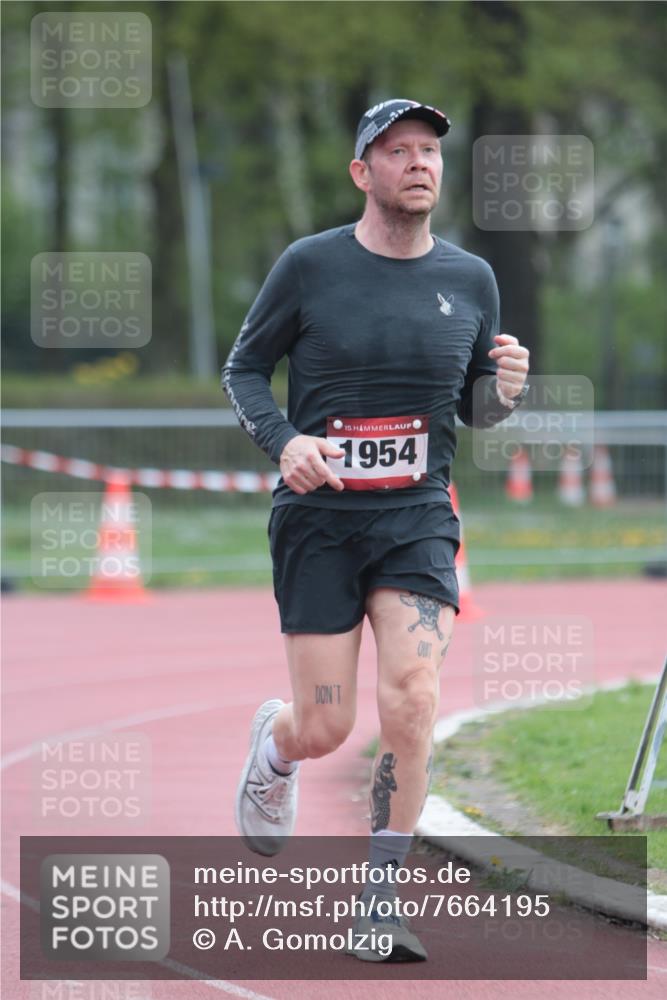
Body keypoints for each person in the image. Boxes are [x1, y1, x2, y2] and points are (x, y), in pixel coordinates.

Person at [222, 97, 530, 962]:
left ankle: (379, 899)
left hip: (416, 518)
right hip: (318, 523)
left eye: (429, 150)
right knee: (326, 726)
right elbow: (243, 367)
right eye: (397, 151)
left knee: (413, 701)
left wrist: (504, 391)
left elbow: (476, 412)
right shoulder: (309, 266)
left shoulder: (470, 278)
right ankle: (275, 749)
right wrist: (285, 443)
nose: (419, 163)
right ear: (363, 172)